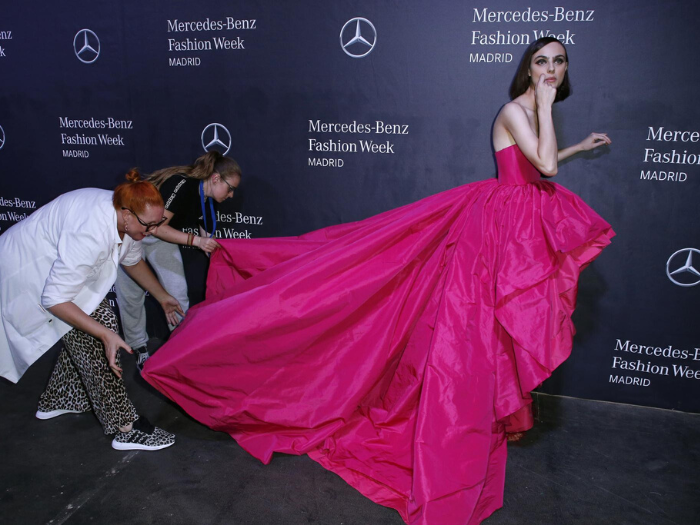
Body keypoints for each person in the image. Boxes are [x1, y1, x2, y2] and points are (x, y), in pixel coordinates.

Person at [143, 37, 614, 523]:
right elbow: (546, 165)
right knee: (463, 326)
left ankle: (477, 412)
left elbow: (540, 162)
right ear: (527, 68)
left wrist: (577, 143)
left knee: (492, 331)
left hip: (510, 227)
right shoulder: (518, 108)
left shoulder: (535, 111)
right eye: (542, 62)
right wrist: (544, 102)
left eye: (558, 62)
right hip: (494, 230)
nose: (551, 70)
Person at [0, 171, 181, 451]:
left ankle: (60, 398)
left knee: (90, 327)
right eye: (149, 225)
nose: (153, 230)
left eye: (157, 223)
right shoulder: (91, 230)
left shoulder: (133, 221)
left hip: (59, 272)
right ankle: (126, 428)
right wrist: (106, 335)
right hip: (27, 273)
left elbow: (132, 261)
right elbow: (56, 298)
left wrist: (163, 297)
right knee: (101, 329)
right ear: (126, 214)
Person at [115, 151, 242, 371]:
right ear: (215, 178)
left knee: (177, 294)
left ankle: (181, 348)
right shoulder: (182, 183)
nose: (231, 195)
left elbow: (209, 240)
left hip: (159, 240)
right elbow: (156, 227)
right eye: (230, 188)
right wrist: (197, 241)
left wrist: (230, 257)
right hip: (134, 235)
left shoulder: (209, 202)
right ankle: (139, 348)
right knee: (131, 295)